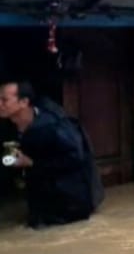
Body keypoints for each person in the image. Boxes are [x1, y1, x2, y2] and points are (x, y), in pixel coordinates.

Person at [0, 81, 104, 228]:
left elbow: (76, 158)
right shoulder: (8, 126)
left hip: (69, 202)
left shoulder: (53, 126)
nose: (0, 104)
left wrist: (32, 163)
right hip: (41, 198)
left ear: (23, 102)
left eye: (4, 100)